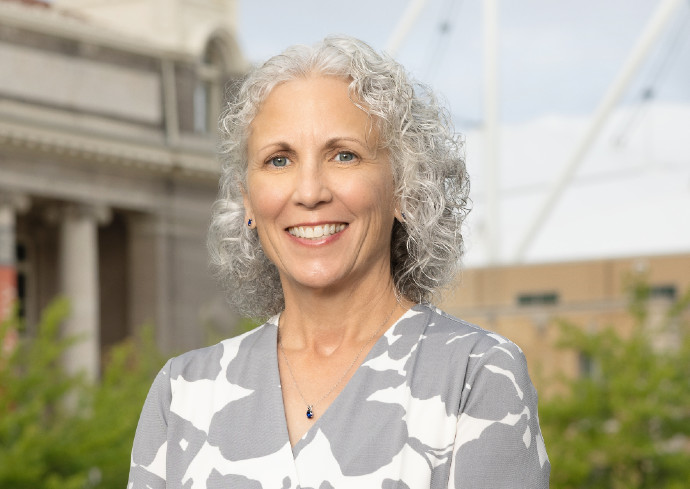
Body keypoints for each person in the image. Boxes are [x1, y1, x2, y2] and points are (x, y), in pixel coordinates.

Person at [128, 36, 550, 488]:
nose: (309, 192)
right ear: (246, 199)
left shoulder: (475, 375)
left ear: (405, 187)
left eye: (344, 155)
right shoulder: (184, 392)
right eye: (279, 159)